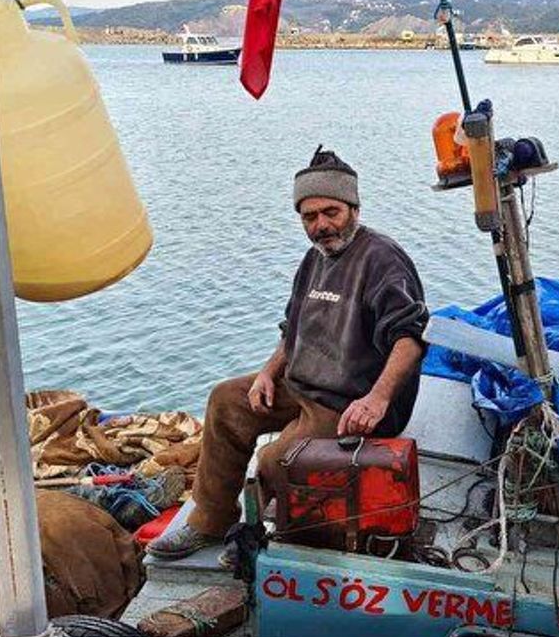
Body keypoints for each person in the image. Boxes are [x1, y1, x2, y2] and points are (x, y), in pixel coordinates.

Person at [147, 147, 428, 561]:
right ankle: (211, 521)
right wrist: (267, 372)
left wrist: (378, 398)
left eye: (331, 212)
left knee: (275, 459)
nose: (321, 225)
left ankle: (257, 539)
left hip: (348, 402)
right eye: (309, 217)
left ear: (354, 208)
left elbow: (411, 338)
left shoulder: (382, 259)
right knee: (226, 401)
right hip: (302, 385)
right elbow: (291, 330)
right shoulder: (314, 259)